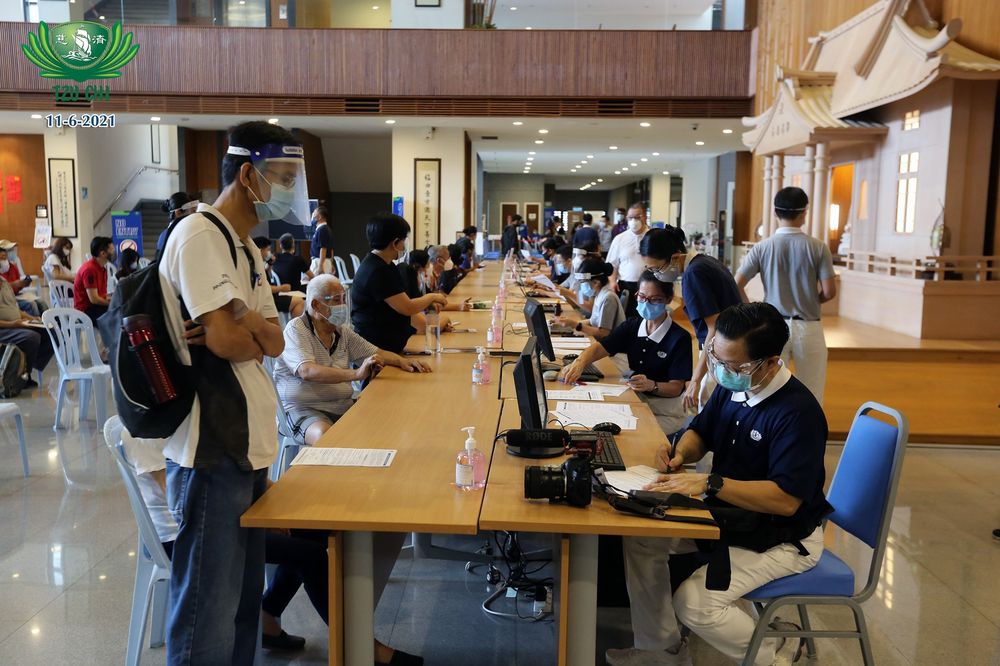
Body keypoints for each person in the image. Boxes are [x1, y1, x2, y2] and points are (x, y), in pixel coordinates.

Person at [607, 303, 830, 666]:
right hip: (730, 515)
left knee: (694, 604)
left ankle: (778, 652)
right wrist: (680, 454)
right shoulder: (736, 383)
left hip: (782, 536)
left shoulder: (797, 414)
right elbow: (701, 432)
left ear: (771, 362)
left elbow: (786, 500)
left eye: (734, 366)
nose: (724, 372)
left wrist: (710, 482)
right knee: (642, 537)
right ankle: (660, 650)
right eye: (717, 359)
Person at [158, 120, 289, 664]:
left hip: (249, 447)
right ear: (248, 174)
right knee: (205, 614)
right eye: (283, 177)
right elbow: (227, 341)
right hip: (212, 450)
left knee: (241, 605)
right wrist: (245, 331)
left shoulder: (247, 248)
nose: (289, 190)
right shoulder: (200, 235)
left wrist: (248, 326)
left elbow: (275, 341)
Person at [275, 274, 432, 446]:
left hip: (342, 405)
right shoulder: (296, 329)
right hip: (303, 409)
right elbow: (307, 371)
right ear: (316, 305)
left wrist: (403, 361)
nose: (343, 305)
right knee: (325, 436)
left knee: (390, 420)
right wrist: (356, 374)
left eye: (344, 299)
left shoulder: (341, 331)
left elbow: (376, 352)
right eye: (336, 300)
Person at [735, 187, 837, 404]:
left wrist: (753, 312)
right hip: (808, 325)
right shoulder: (818, 247)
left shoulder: (762, 247)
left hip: (772, 326)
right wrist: (812, 299)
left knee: (768, 388)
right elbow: (829, 291)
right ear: (804, 213)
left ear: (775, 212)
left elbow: (736, 284)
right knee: (812, 391)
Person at [560, 270, 691, 435]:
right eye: (642, 297)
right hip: (637, 398)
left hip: (665, 410)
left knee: (630, 437)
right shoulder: (633, 325)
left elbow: (676, 387)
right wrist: (579, 362)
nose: (646, 303)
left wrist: (652, 385)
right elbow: (600, 348)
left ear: (669, 299)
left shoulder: (679, 338)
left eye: (654, 299)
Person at [640, 226, 742, 413]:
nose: (656, 275)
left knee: (707, 409)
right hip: (730, 349)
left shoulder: (694, 274)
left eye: (657, 269)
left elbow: (715, 328)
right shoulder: (705, 261)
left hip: (723, 352)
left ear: (675, 257)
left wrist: (695, 380)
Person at [350, 212, 448, 355]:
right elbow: (407, 307)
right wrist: (432, 297)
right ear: (395, 243)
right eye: (404, 240)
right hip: (376, 352)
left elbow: (402, 302)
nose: (404, 245)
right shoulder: (377, 270)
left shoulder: (385, 265)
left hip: (388, 347)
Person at [551, 257, 624, 340]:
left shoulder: (608, 297)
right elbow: (592, 321)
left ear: (596, 282)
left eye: (582, 282)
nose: (581, 285)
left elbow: (603, 333)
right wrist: (568, 323)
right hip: (596, 333)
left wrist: (575, 324)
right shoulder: (598, 294)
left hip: (609, 342)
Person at [0, 276, 54, 386]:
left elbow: (15, 309)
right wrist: (13, 324)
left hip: (15, 323)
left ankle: (25, 368)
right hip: (4, 328)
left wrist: (33, 319)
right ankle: (23, 376)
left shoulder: (4, 281)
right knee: (32, 337)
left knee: (50, 332)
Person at [607, 202, 650, 318]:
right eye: (630, 217)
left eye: (637, 217)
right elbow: (612, 265)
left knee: (645, 318)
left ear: (645, 217)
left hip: (648, 286)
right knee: (625, 318)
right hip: (625, 286)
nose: (633, 220)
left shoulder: (652, 237)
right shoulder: (620, 239)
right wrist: (612, 282)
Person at [253, 236, 305, 318]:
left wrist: (270, 264)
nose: (269, 253)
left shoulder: (257, 264)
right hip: (269, 299)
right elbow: (262, 287)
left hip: (270, 297)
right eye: (268, 250)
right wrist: (281, 288)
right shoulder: (257, 267)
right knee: (299, 301)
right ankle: (296, 325)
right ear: (260, 250)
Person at [73, 236, 114, 324]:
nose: (114, 252)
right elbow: (94, 299)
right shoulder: (90, 270)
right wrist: (113, 303)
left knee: (121, 312)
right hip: (85, 311)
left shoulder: (102, 268)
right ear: (103, 253)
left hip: (95, 306)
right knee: (115, 318)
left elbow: (101, 295)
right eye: (112, 250)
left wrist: (113, 299)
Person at [157, 192, 199, 257]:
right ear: (178, 213)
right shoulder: (168, 236)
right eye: (193, 211)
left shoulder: (166, 234)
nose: (197, 215)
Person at [310, 205, 335, 275]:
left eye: (314, 214)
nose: (312, 217)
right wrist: (331, 263)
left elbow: (323, 248)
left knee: (317, 282)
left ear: (319, 217)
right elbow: (331, 249)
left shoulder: (322, 229)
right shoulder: (325, 229)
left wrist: (320, 266)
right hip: (324, 261)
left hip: (319, 262)